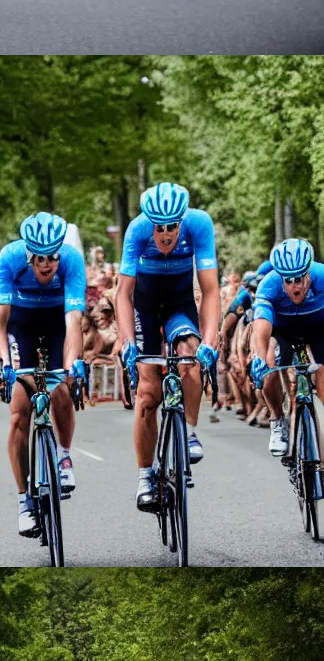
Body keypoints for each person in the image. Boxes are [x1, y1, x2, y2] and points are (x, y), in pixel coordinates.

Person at [114, 183, 220, 510]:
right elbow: (123, 294)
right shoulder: (137, 230)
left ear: (181, 220)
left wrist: (211, 340)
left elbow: (211, 290)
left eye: (171, 227)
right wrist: (128, 342)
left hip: (178, 304)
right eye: (159, 227)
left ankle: (188, 432)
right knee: (147, 394)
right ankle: (145, 477)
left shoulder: (199, 224)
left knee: (190, 353)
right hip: (145, 307)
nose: (164, 234)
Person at [0, 212, 87, 535]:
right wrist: (1, 364)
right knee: (19, 410)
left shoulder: (72, 261)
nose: (47, 264)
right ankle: (23, 501)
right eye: (41, 258)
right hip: (23, 324)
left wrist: (73, 365)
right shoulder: (9, 258)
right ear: (29, 255)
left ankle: (64, 455)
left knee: (61, 385)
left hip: (57, 321)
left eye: (52, 257)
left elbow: (74, 321)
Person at [247, 239, 324, 462]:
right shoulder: (269, 285)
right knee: (268, 364)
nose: (295, 286)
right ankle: (277, 420)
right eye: (288, 281)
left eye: (299, 278)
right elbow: (261, 329)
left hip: (317, 327)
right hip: (282, 329)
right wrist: (260, 358)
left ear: (309, 272)